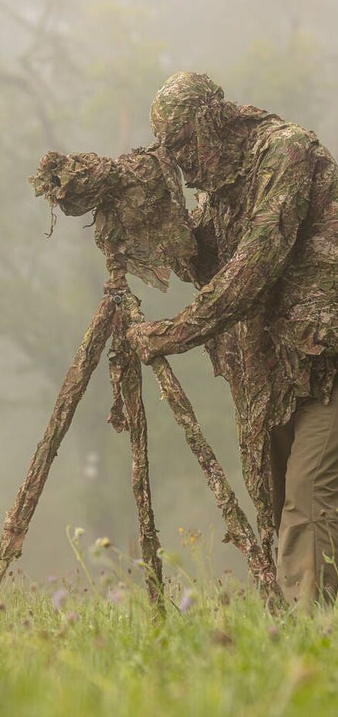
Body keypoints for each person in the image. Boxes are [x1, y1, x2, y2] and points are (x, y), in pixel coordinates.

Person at [126, 71, 338, 606]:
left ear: (210, 123)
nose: (182, 160)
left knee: (308, 501)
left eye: (181, 144)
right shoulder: (221, 190)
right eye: (169, 151)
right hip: (273, 373)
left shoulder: (286, 153)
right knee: (283, 500)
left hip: (327, 363)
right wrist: (136, 196)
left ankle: (307, 644)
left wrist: (174, 332)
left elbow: (253, 265)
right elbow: (200, 257)